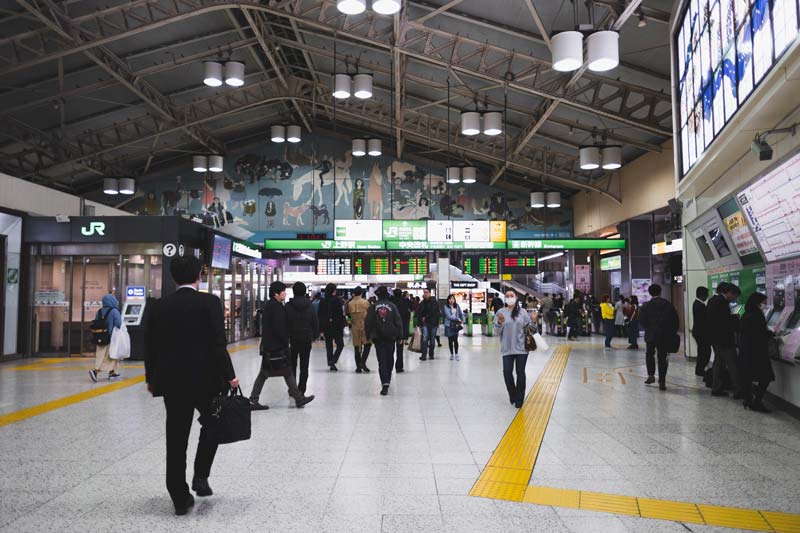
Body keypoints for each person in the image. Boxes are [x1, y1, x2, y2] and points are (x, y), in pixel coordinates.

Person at [144, 255, 239, 515]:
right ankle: (200, 476)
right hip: (207, 381)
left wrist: (151, 379)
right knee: (213, 425)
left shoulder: (160, 306)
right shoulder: (210, 302)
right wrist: (230, 375)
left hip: (173, 383)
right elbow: (218, 344)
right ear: (199, 276)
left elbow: (150, 347)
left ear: (174, 278)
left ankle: (179, 495)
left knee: (176, 438)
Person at [249, 281, 315, 410]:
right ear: (276, 293)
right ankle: (298, 398)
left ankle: (298, 398)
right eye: (283, 291)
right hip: (275, 347)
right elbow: (280, 328)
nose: (285, 293)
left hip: (270, 345)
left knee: (280, 372)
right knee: (281, 372)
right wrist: (286, 342)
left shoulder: (272, 305)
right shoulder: (276, 307)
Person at [494, 289, 533, 409]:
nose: (509, 297)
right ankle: (512, 394)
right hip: (507, 348)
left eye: (512, 295)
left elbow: (530, 328)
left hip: (521, 348)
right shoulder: (501, 312)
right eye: (507, 296)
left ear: (516, 298)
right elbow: (497, 331)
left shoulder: (523, 312)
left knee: (520, 373)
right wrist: (499, 323)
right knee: (507, 373)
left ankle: (519, 399)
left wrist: (534, 321)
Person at [738, 292, 775, 412]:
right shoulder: (757, 315)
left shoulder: (746, 314)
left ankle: (748, 399)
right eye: (764, 302)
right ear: (758, 302)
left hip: (746, 351)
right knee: (766, 377)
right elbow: (761, 333)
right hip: (758, 352)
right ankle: (757, 402)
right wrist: (772, 334)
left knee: (748, 377)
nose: (765, 304)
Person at [639, 284, 680, 390]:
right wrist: (672, 332)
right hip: (664, 335)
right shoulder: (667, 304)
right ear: (660, 292)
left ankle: (651, 375)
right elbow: (675, 320)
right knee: (662, 358)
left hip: (651, 335)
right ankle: (662, 381)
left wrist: (649, 327)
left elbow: (642, 320)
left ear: (649, 293)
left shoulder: (646, 305)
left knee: (649, 354)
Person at [365, 286, 403, 396]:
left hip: (378, 337)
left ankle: (384, 383)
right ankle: (388, 378)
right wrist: (400, 336)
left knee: (381, 360)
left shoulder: (373, 307)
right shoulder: (392, 306)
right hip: (391, 336)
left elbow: (368, 322)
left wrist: (368, 335)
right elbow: (398, 321)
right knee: (389, 358)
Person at [707, 282, 742, 398]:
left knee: (719, 363)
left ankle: (716, 387)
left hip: (715, 338)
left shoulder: (713, 300)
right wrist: (736, 319)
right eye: (735, 296)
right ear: (730, 293)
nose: (734, 299)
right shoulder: (721, 302)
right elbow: (723, 321)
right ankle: (738, 390)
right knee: (733, 364)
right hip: (724, 340)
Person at [285, 282, 319, 393]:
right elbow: (315, 322)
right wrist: (314, 336)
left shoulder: (288, 306)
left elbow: (283, 323)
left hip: (291, 338)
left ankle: (292, 388)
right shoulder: (310, 305)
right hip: (306, 338)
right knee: (304, 365)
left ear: (293, 291)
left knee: (291, 365)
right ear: (305, 292)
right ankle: (302, 389)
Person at [89, 293, 123, 382]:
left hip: (99, 336)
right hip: (110, 337)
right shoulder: (114, 311)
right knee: (112, 355)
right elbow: (119, 323)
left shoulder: (99, 311)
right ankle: (95, 371)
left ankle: (112, 372)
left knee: (100, 355)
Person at [319, 283, 346, 371]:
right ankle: (333, 360)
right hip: (336, 326)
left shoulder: (323, 300)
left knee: (329, 345)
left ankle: (330, 361)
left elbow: (320, 314)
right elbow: (340, 314)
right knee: (340, 344)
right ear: (334, 290)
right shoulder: (337, 300)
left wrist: (321, 328)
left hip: (327, 326)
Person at [347, 287, 372, 373]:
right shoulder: (365, 302)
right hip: (365, 326)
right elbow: (370, 314)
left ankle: (358, 366)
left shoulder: (350, 303)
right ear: (361, 293)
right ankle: (363, 362)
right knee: (367, 344)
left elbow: (348, 315)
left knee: (357, 346)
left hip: (355, 326)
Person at [416, 288, 441, 361]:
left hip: (433, 323)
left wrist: (425, 317)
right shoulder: (422, 303)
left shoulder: (434, 302)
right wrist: (419, 323)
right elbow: (419, 313)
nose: (425, 294)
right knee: (424, 339)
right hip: (425, 324)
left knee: (432, 339)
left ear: (430, 293)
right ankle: (423, 355)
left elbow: (433, 312)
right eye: (424, 292)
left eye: (427, 292)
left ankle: (431, 354)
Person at [692, 286, 711, 376]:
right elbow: (704, 320)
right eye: (706, 294)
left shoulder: (698, 304)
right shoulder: (699, 306)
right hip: (701, 333)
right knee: (705, 352)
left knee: (702, 352)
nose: (707, 296)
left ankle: (699, 369)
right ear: (702, 295)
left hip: (698, 332)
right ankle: (700, 370)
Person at [392, 288, 412, 373]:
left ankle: (389, 366)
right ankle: (399, 367)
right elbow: (406, 319)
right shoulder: (404, 304)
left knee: (390, 350)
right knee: (399, 350)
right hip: (400, 330)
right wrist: (405, 333)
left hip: (391, 330)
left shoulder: (390, 303)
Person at [443, 294, 465, 361]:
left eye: (452, 299)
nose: (451, 300)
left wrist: (463, 320)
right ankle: (452, 354)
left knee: (455, 340)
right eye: (450, 299)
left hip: (456, 326)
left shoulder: (457, 306)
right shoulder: (445, 307)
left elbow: (461, 314)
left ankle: (457, 354)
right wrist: (457, 319)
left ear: (454, 299)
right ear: (448, 300)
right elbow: (448, 316)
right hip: (449, 325)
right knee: (450, 340)